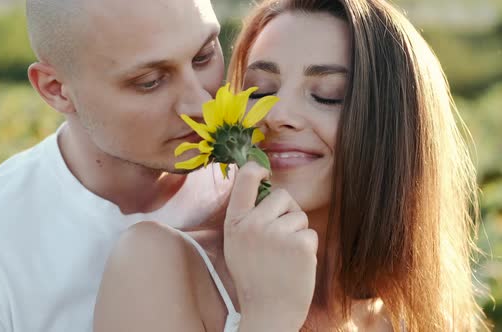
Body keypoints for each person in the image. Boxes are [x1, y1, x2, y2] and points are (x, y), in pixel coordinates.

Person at [93, 0, 488, 330]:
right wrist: (268, 314)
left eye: (327, 95)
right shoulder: (157, 266)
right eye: (260, 90)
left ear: (394, 129)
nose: (276, 114)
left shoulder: (416, 310)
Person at [0, 0, 232, 330]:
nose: (201, 103)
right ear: (56, 90)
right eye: (149, 81)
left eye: (203, 57)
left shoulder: (267, 179)